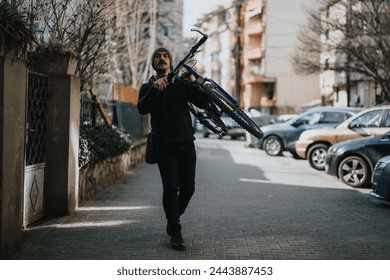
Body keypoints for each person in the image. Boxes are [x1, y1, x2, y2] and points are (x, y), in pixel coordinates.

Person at [137, 47, 208, 250]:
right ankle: (176, 231)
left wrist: (194, 84)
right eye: (158, 56)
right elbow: (142, 108)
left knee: (189, 189)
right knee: (170, 189)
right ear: (154, 64)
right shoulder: (147, 87)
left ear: (170, 61)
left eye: (165, 55)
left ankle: (172, 219)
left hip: (186, 143)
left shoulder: (180, 84)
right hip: (164, 146)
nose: (162, 58)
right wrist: (154, 89)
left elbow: (203, 103)